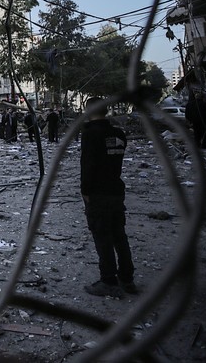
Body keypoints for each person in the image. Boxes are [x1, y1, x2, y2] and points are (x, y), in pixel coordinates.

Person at [80, 97, 136, 298]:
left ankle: (108, 280)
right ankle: (127, 278)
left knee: (102, 237)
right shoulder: (118, 134)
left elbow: (88, 165)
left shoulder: (90, 134)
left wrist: (85, 192)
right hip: (116, 190)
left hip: (98, 192)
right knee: (119, 235)